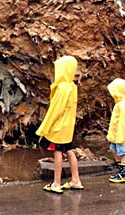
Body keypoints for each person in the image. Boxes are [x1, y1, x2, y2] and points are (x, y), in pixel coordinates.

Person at [36, 56, 83, 194]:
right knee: (69, 151)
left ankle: (56, 183)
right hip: (68, 127)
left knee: (58, 153)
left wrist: (44, 128)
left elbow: (55, 111)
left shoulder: (62, 88)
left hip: (59, 127)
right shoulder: (72, 86)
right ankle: (76, 180)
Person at [106, 78, 125, 183]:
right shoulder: (118, 104)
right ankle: (120, 170)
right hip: (115, 135)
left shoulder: (123, 105)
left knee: (123, 153)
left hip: (121, 136)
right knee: (113, 149)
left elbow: (123, 122)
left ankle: (124, 174)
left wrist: (120, 136)